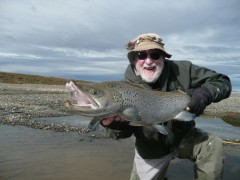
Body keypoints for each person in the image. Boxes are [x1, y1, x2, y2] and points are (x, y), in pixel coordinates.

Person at [101, 33, 232, 180]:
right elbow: (122, 134)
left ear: (164, 57)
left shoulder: (183, 70)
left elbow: (222, 81)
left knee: (212, 145)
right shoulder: (123, 88)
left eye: (155, 55)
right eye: (141, 55)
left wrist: (204, 93)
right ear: (133, 60)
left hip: (184, 135)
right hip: (150, 147)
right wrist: (116, 128)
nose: (148, 61)